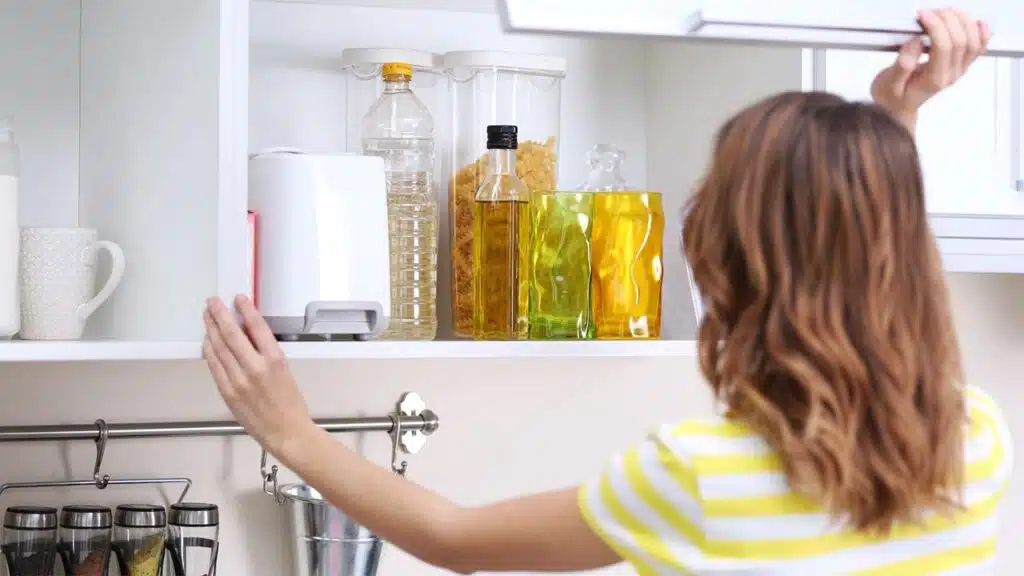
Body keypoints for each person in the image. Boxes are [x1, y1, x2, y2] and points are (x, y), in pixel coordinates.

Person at [202, 8, 1011, 574]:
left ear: (730, 263)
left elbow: (455, 539)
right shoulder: (972, 441)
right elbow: (878, 251)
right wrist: (895, 120)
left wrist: (294, 434)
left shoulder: (698, 478)